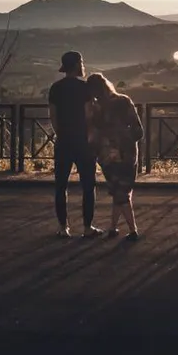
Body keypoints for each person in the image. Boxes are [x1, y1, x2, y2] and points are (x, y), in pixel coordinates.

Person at [48, 51, 103, 238]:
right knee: (88, 185)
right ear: (77, 65)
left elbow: (53, 117)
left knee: (61, 186)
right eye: (81, 62)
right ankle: (88, 228)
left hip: (64, 141)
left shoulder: (55, 88)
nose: (83, 65)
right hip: (83, 142)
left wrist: (61, 135)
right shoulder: (85, 88)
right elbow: (89, 116)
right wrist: (90, 137)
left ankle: (64, 228)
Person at [85, 72, 144, 241]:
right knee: (124, 191)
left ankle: (114, 228)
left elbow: (93, 134)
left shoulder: (96, 109)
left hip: (106, 156)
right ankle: (132, 230)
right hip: (127, 154)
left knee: (119, 191)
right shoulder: (124, 101)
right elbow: (138, 130)